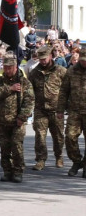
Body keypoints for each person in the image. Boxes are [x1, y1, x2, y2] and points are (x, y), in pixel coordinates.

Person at [0, 54, 34, 182]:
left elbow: (29, 101)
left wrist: (22, 117)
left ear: (15, 67)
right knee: (4, 148)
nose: (8, 70)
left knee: (16, 147)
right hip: (2, 120)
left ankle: (18, 171)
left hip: (17, 121)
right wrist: (9, 89)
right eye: (5, 68)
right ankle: (7, 171)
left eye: (10, 68)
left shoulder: (24, 82)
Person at [28, 45, 67, 170]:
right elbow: (29, 91)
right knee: (40, 135)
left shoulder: (60, 70)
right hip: (40, 109)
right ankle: (40, 159)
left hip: (57, 110)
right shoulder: (35, 73)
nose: (43, 61)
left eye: (45, 58)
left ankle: (59, 157)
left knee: (58, 136)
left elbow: (67, 89)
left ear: (51, 56)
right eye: (41, 59)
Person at [61, 48, 86, 177]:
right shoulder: (71, 71)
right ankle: (77, 161)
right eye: (82, 60)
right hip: (75, 111)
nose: (84, 63)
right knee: (70, 137)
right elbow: (64, 91)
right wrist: (60, 109)